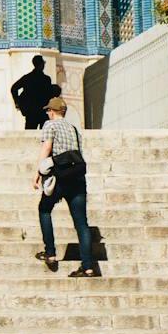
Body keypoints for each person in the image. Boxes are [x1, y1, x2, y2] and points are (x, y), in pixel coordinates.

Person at [33, 96, 98, 277]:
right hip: (77, 178)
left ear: (52, 111)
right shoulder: (74, 129)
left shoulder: (50, 126)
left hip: (60, 177)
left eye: (48, 111)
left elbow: (47, 148)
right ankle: (88, 266)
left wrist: (38, 173)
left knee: (44, 209)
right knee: (81, 223)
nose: (47, 113)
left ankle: (51, 252)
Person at [10, 56, 59, 130]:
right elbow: (48, 93)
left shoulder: (27, 78)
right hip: (42, 110)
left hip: (30, 111)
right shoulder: (46, 79)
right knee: (44, 134)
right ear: (41, 64)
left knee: (30, 133)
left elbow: (14, 88)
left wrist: (17, 102)